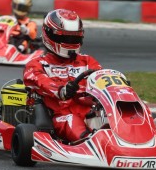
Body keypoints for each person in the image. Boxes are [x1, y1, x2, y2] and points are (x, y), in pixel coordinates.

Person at [23, 9, 102, 143]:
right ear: (50, 35)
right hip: (61, 116)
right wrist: (61, 90)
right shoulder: (37, 64)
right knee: (71, 120)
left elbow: (101, 78)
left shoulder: (88, 61)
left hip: (90, 112)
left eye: (74, 38)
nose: (70, 41)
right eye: (65, 38)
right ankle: (89, 142)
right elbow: (40, 81)